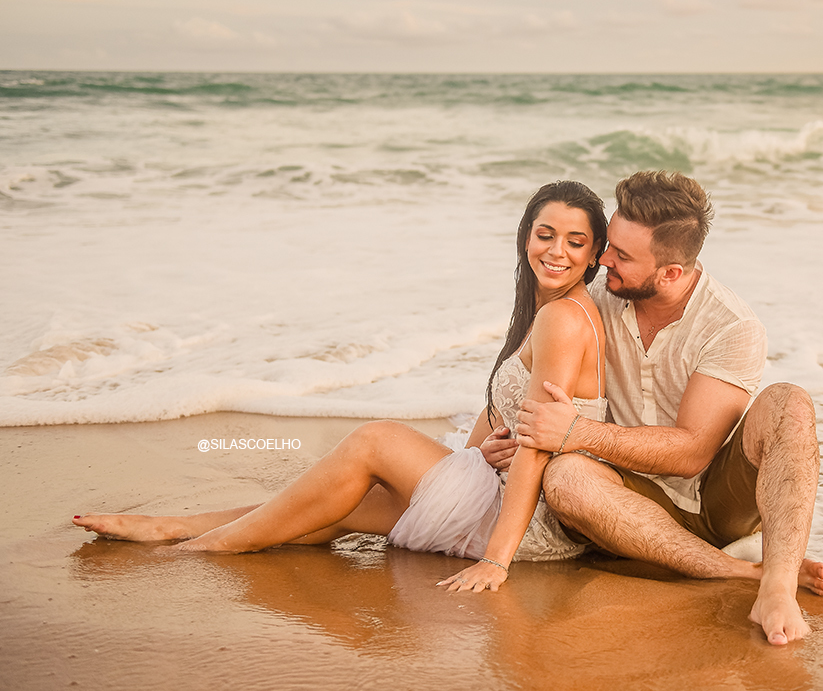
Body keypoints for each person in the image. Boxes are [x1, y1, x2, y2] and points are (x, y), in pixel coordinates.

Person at [73, 180, 609, 593]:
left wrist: (496, 560)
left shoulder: (562, 319)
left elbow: (538, 443)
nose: (556, 250)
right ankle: (175, 527)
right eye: (545, 234)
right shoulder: (548, 311)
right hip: (505, 497)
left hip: (524, 524)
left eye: (575, 241)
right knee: (334, 503)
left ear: (593, 255)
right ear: (525, 236)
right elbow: (504, 420)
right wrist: (482, 453)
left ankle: (199, 549)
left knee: (374, 440)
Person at [492, 170, 823, 644]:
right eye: (609, 244)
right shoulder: (595, 298)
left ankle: (777, 584)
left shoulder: (731, 326)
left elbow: (692, 452)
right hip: (617, 496)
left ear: (670, 273)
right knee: (566, 478)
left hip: (713, 501)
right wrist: (501, 438)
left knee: (788, 402)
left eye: (621, 255)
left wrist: (576, 433)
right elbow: (530, 373)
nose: (603, 260)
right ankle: (734, 571)